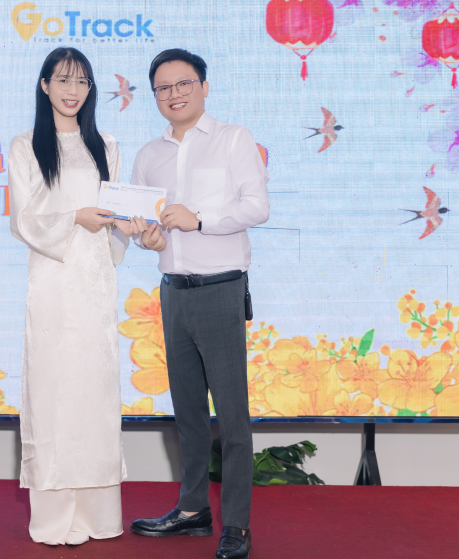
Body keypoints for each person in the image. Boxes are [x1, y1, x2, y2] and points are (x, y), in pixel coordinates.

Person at [127, 49, 270, 559]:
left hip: (220, 290)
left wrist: (200, 219)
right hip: (173, 293)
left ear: (204, 86)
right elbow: (149, 229)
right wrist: (148, 238)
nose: (174, 94)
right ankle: (192, 511)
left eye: (183, 83)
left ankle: (237, 525)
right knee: (187, 413)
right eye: (163, 88)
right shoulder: (149, 155)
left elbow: (257, 206)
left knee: (232, 416)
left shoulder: (233, 139)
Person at [8, 47, 140, 546]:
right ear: (44, 85)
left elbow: (117, 218)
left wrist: (130, 227)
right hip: (52, 282)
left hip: (96, 283)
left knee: (94, 394)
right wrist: (74, 219)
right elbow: (24, 220)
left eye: (82, 81)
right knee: (52, 392)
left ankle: (96, 516)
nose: (72, 90)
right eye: (63, 79)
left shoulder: (106, 144)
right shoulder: (26, 146)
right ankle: (54, 520)